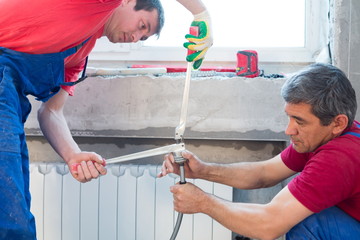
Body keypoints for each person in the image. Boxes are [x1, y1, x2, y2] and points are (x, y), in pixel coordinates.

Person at [0, 0, 212, 238]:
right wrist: (200, 13)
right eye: (142, 24)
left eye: (143, 37)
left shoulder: (77, 57)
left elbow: (51, 111)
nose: (135, 37)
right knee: (10, 221)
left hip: (10, 105)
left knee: (16, 205)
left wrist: (73, 156)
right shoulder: (97, 3)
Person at [159, 63, 360, 240]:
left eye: (300, 121)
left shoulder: (340, 158)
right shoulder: (322, 136)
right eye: (289, 117)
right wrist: (203, 171)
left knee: (308, 221)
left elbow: (268, 225)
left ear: (337, 123)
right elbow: (264, 174)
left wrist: (203, 203)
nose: (289, 130)